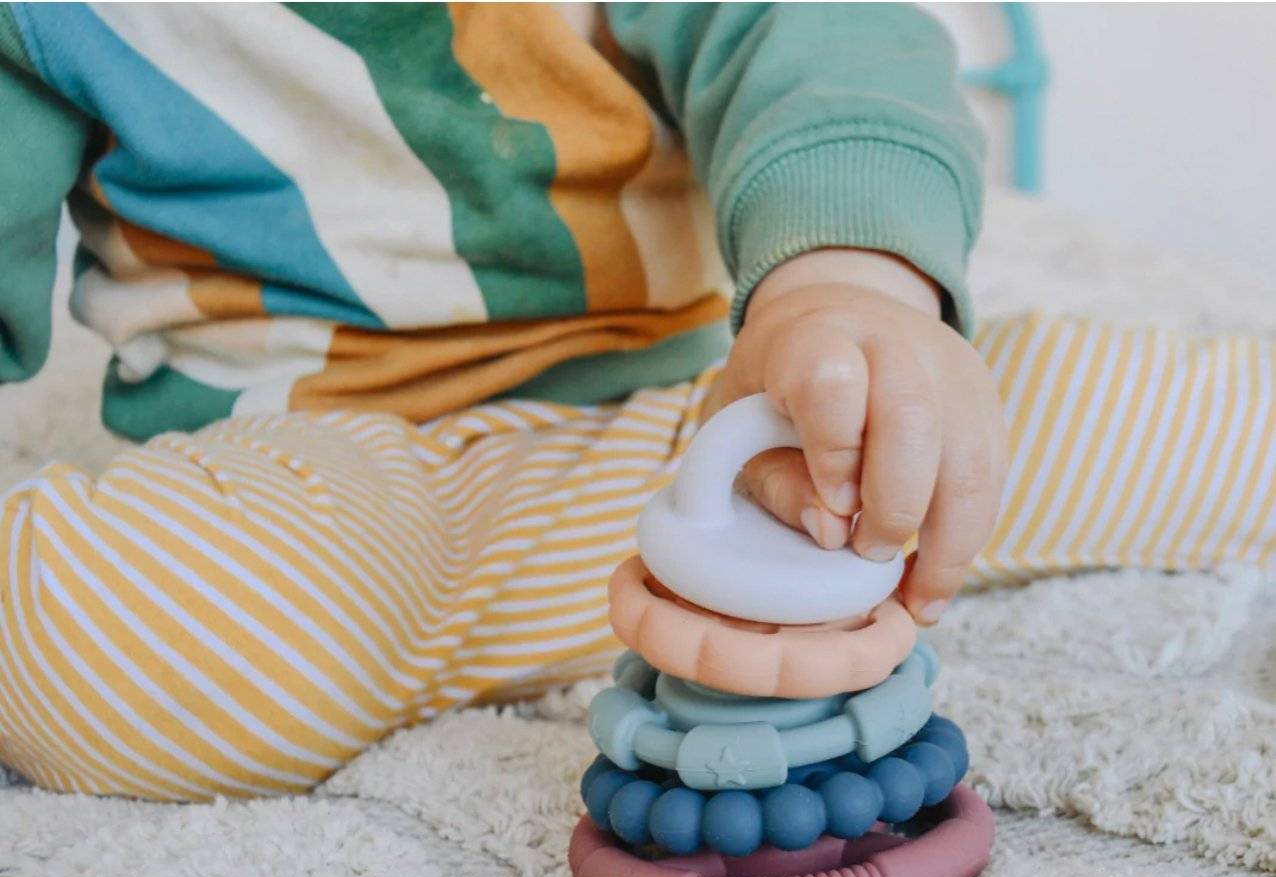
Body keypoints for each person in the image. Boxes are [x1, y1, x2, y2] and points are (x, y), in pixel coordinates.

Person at [1, 3, 1270, 800]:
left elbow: (825, 41)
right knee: (91, 636)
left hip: (738, 422)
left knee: (1015, 421)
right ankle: (661, 557)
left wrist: (845, 287)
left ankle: (715, 523)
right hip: (330, 491)